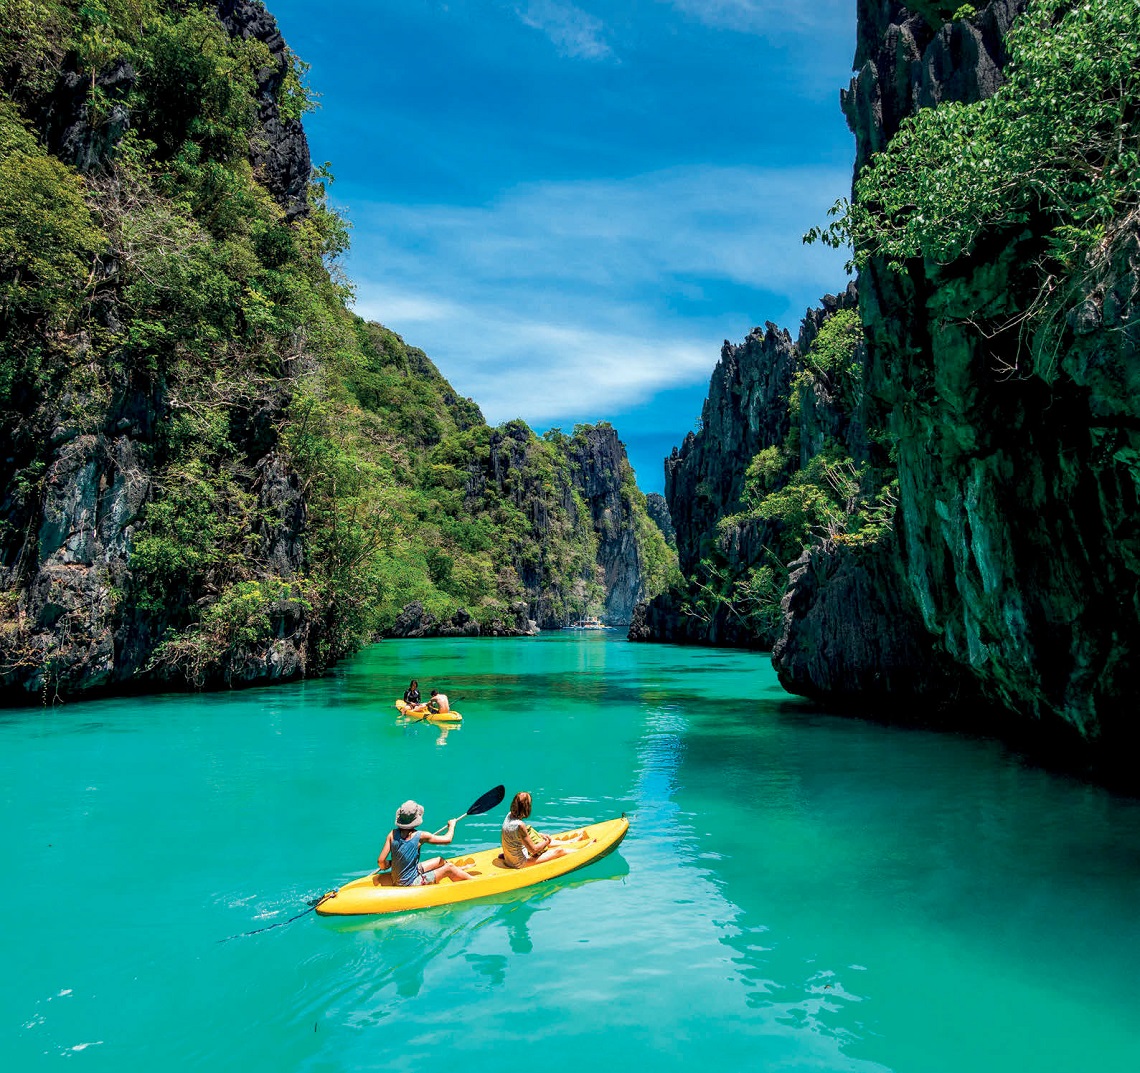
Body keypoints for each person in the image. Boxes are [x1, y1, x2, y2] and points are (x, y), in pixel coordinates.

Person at [378, 800, 474, 886]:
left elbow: (381, 862)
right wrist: (452, 826)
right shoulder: (421, 836)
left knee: (439, 860)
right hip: (411, 883)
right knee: (449, 867)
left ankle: (458, 871)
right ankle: (474, 881)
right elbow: (447, 839)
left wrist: (390, 863)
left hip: (397, 878)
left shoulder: (392, 834)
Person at [501, 791, 568, 868]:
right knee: (559, 851)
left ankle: (571, 841)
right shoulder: (520, 825)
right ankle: (582, 852)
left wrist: (540, 836)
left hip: (509, 860)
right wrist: (547, 841)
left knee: (538, 838)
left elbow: (516, 836)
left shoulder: (509, 816)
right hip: (519, 863)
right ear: (526, 807)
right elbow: (533, 850)